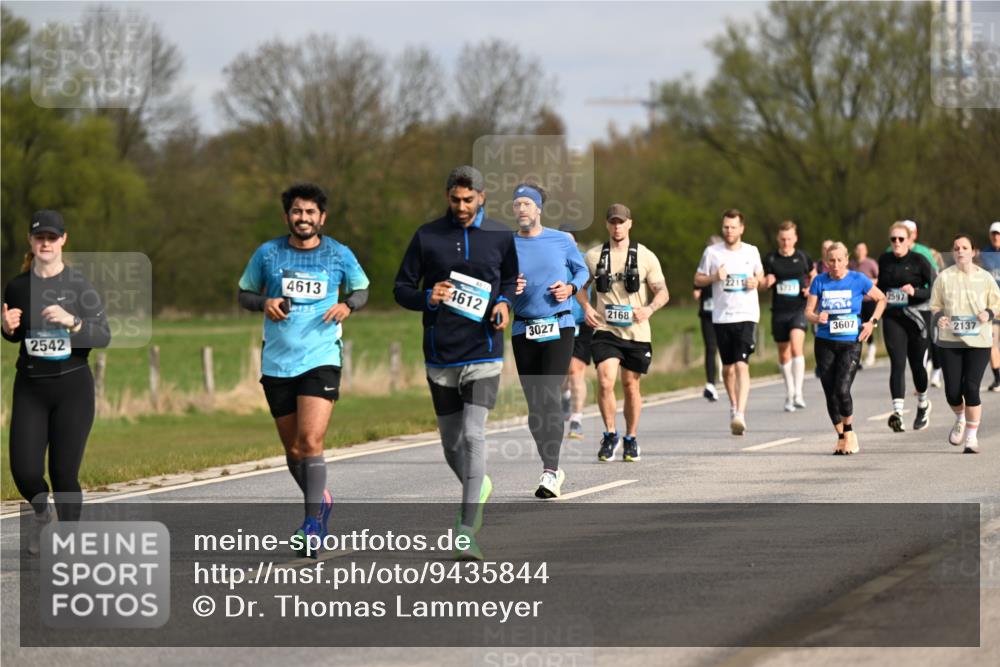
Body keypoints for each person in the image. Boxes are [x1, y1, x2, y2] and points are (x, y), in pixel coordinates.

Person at [238, 183, 370, 558]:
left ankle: (312, 524)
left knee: (311, 441)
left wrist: (348, 306)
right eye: (297, 212)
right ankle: (321, 501)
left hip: (321, 358)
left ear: (322, 218)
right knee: (294, 449)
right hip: (278, 362)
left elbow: (361, 289)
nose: (304, 218)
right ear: (287, 217)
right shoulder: (268, 254)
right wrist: (265, 302)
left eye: (311, 212)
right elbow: (244, 293)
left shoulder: (338, 254)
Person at [394, 166, 517, 559]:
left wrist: (504, 303)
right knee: (451, 444)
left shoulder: (499, 235)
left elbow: (512, 279)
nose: (462, 207)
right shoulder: (427, 236)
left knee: (473, 433)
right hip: (441, 353)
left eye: (469, 199)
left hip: (484, 351)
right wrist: (427, 296)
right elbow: (401, 288)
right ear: (447, 197)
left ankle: (466, 529)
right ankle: (476, 483)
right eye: (455, 199)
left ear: (482, 196)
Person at [2, 210, 111, 553]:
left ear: (63, 240)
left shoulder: (79, 285)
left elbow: (103, 336)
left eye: (52, 237)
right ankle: (39, 513)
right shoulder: (17, 286)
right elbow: (14, 335)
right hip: (31, 387)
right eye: (39, 237)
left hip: (72, 388)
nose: (45, 243)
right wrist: (5, 327)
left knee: (64, 474)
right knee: (24, 471)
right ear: (31, 242)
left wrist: (73, 322)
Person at [509, 183, 588, 498]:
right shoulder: (506, 244)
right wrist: (507, 287)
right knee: (534, 406)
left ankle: (550, 472)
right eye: (517, 204)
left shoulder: (560, 240)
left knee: (549, 395)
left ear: (539, 208)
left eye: (527, 203)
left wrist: (569, 289)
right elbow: (494, 281)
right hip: (523, 328)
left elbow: (582, 273)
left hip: (559, 325)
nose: (522, 209)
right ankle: (549, 462)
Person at [580, 204, 669, 462]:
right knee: (606, 380)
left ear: (630, 223)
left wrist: (649, 309)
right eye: (612, 222)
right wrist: (586, 307)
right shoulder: (594, 256)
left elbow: (663, 292)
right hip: (606, 329)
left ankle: (631, 438)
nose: (617, 227)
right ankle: (609, 434)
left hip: (637, 332)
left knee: (631, 385)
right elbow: (579, 286)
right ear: (607, 225)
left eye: (621, 222)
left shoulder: (645, 256)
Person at [805, 242, 887, 454]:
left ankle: (849, 431)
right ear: (825, 262)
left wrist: (872, 322)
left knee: (842, 389)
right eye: (831, 260)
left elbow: (881, 299)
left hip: (850, 342)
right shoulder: (819, 281)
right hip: (824, 342)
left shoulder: (858, 279)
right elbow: (808, 312)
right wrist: (816, 317)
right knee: (830, 393)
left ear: (846, 260)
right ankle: (841, 437)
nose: (836, 264)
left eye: (840, 260)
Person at [695, 209, 764, 435]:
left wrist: (756, 281)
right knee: (727, 369)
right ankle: (733, 405)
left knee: (742, 365)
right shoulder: (712, 253)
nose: (729, 230)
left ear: (741, 228)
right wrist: (714, 278)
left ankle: (740, 414)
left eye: (733, 227)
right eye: (726, 227)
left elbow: (761, 276)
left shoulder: (751, 251)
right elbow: (697, 279)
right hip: (722, 316)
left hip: (746, 314)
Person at [931, 234, 1000, 453]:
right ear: (953, 252)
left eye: (964, 247)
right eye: (956, 248)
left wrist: (988, 313)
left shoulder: (985, 277)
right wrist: (939, 317)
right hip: (950, 341)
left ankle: (971, 436)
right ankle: (960, 417)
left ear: (973, 251)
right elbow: (935, 306)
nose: (960, 251)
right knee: (952, 391)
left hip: (979, 341)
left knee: (971, 388)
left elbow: (997, 304)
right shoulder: (944, 277)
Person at [877, 221, 935, 432]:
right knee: (897, 363)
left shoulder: (920, 260)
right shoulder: (884, 260)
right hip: (893, 316)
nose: (897, 243)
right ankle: (898, 413)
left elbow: (934, 289)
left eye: (901, 239)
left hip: (918, 317)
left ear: (909, 240)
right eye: (893, 239)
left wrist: (915, 292)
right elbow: (881, 288)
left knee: (917, 365)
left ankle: (923, 404)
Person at [762, 221, 814, 411]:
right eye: (783, 239)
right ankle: (789, 393)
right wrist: (767, 281)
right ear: (778, 239)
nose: (786, 243)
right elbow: (762, 281)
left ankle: (799, 393)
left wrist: (810, 289)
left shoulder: (802, 257)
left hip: (798, 309)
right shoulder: (771, 259)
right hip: (779, 311)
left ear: (795, 238)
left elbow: (814, 275)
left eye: (789, 239)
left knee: (796, 346)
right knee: (783, 353)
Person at [559, 224, 593, 439]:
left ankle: (576, 419)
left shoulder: (585, 260)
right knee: (562, 373)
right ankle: (565, 396)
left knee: (576, 370)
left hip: (582, 321)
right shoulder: (550, 262)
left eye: (569, 241)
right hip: (558, 323)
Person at [693, 236, 723, 402]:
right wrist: (700, 291)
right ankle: (711, 384)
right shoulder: (702, 269)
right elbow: (696, 289)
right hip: (707, 313)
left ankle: (725, 374)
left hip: (725, 314)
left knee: (724, 348)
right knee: (711, 348)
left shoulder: (728, 267)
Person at [849, 242, 880, 367]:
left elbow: (879, 278)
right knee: (857, 327)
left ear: (866, 251)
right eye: (858, 249)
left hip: (870, 300)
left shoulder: (871, 263)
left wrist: (869, 282)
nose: (860, 251)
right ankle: (858, 356)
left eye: (862, 249)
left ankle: (871, 351)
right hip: (857, 302)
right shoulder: (851, 265)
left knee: (869, 326)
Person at [980, 221, 1000, 392]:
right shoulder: (984, 254)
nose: (996, 237)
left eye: (999, 234)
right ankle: (998, 378)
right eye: (994, 233)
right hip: (993, 305)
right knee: (991, 341)